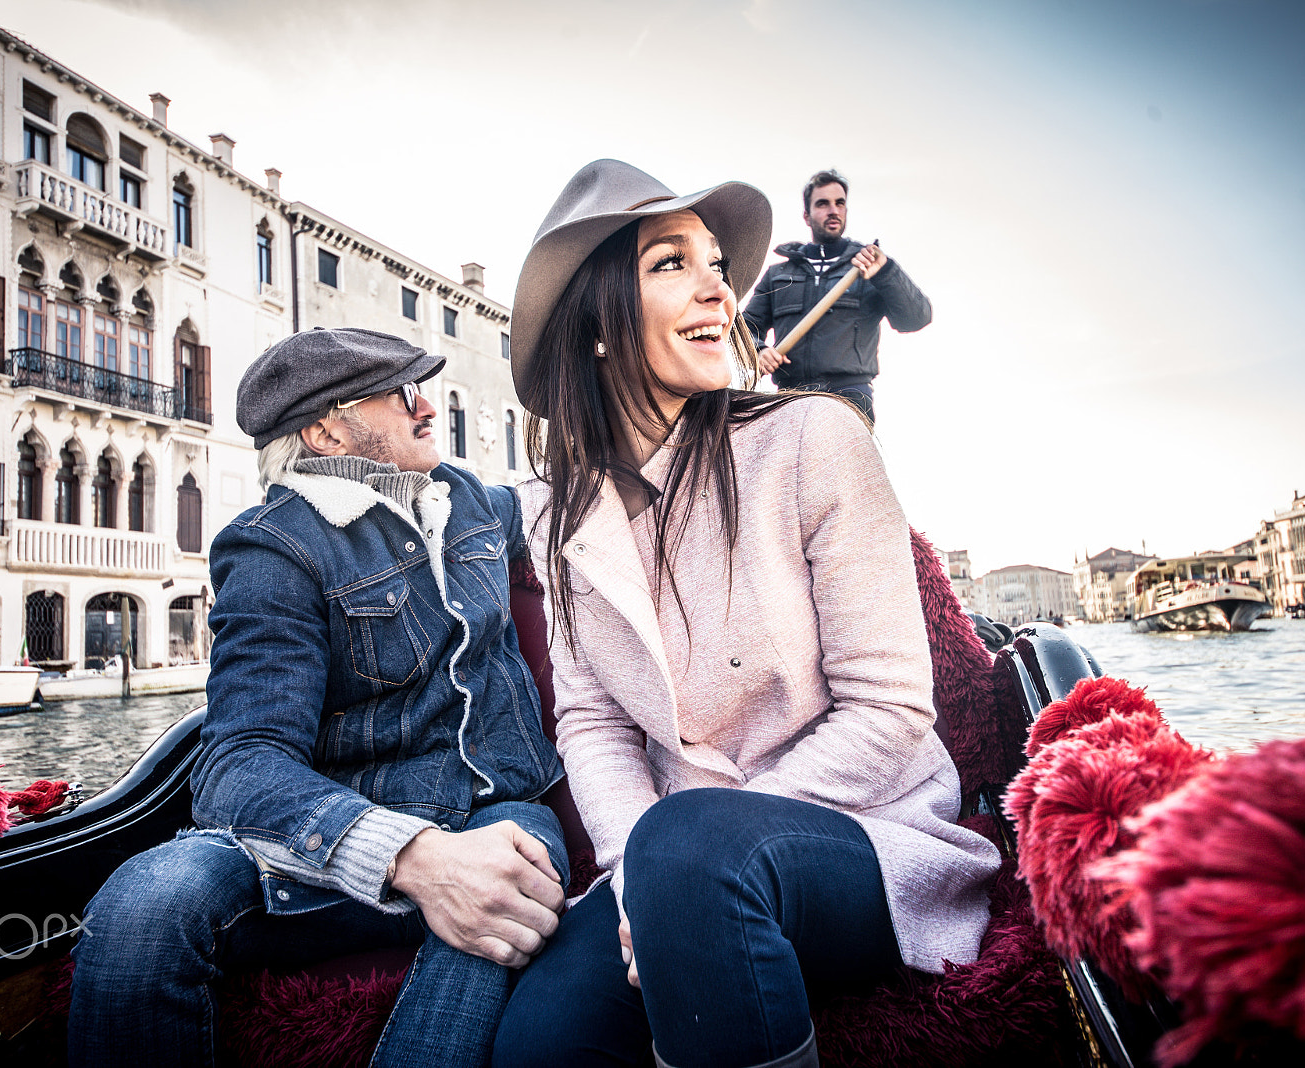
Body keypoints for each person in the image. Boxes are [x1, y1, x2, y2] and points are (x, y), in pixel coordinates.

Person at [492, 160, 1000, 1068]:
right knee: (538, 1038)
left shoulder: (814, 439)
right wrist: (638, 880)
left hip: (862, 832)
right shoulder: (552, 512)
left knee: (692, 855)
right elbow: (592, 720)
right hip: (670, 859)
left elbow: (889, 711)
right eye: (670, 263)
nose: (718, 286)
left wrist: (688, 860)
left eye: (716, 262)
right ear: (597, 322)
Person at [68, 329, 568, 1068]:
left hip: (498, 809)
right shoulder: (273, 546)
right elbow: (240, 762)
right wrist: (412, 856)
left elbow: (593, 485)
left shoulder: (473, 500)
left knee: (505, 885)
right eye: (402, 395)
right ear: (327, 428)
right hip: (334, 852)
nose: (427, 407)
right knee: (147, 901)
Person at [741, 168, 931, 424]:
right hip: (790, 398)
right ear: (807, 216)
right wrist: (759, 350)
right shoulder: (779, 274)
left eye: (840, 203)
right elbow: (744, 329)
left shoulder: (868, 268)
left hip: (849, 398)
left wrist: (885, 271)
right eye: (823, 204)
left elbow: (916, 318)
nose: (833, 210)